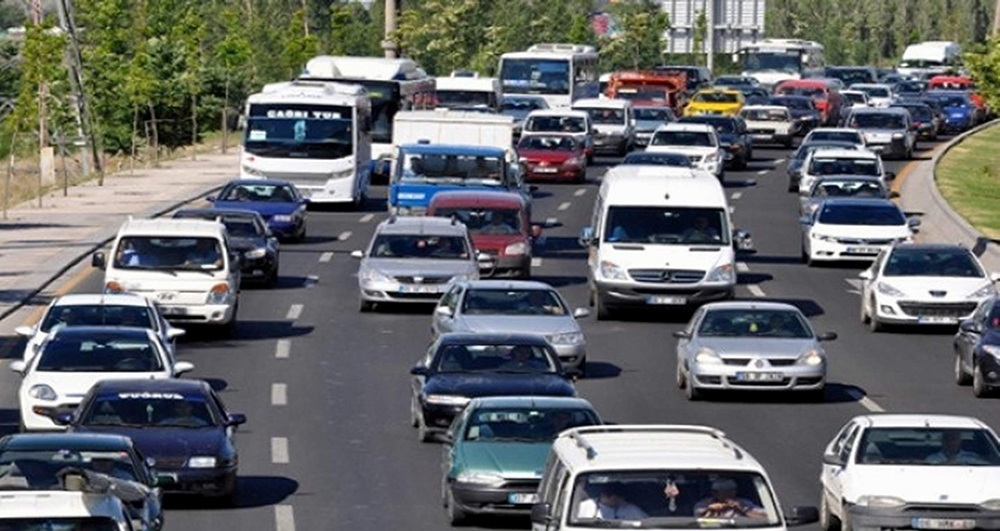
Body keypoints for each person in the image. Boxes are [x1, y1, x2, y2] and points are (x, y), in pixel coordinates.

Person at [694, 478, 767, 519]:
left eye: (731, 491)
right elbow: (696, 522)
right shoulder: (703, 505)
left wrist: (742, 509)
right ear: (715, 493)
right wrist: (710, 510)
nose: (730, 495)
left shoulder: (744, 503)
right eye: (725, 491)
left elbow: (765, 517)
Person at [577, 482, 648, 520]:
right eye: (617, 498)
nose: (621, 501)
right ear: (604, 496)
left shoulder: (632, 510)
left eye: (622, 498)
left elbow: (646, 524)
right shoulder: (586, 506)